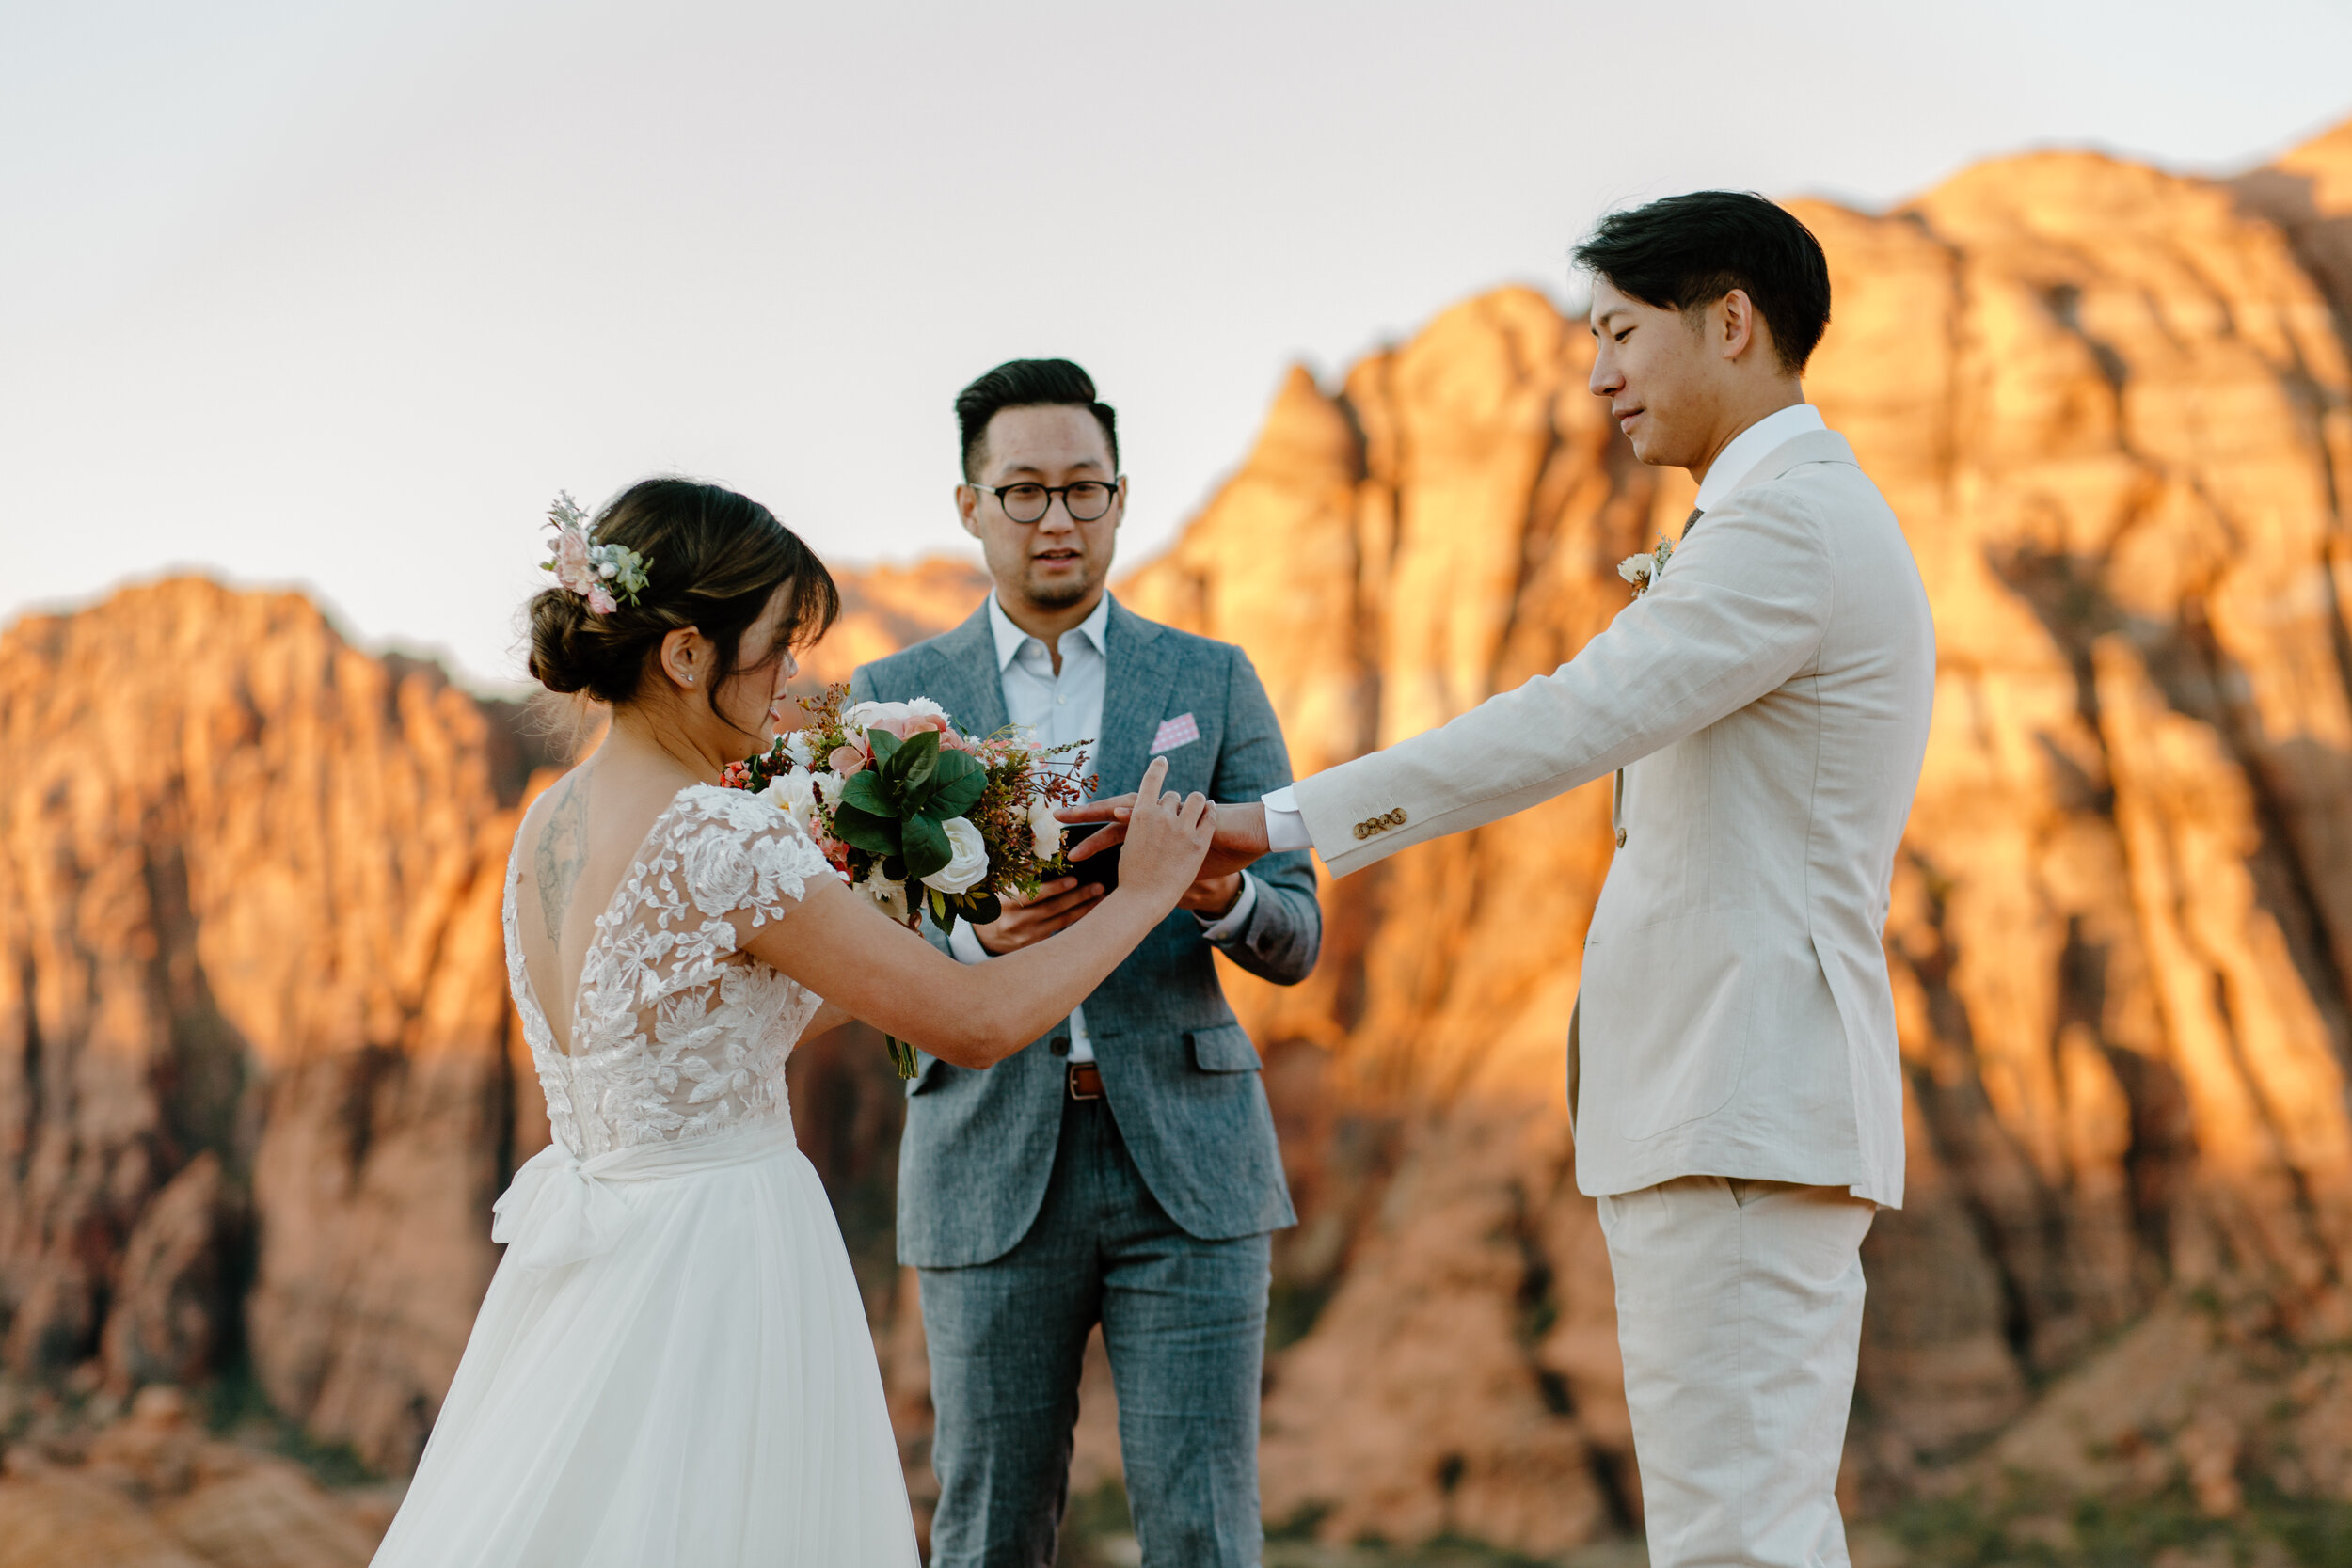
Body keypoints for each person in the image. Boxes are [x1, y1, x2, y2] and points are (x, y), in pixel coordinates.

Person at [1069, 195, 1936, 1568]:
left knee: (1736, 1535)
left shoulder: (1790, 526)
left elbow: (1566, 719)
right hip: (1730, 1101)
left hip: (1741, 1096)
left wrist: (1269, 822)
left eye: (1618, 332)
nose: (1597, 375)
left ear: (1731, 320)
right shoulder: (1779, 517)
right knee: (1743, 1525)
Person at [368, 477, 1218, 1568]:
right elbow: (975, 1028)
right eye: (775, 645)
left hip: (592, 1258)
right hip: (722, 1258)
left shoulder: (547, 821)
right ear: (684, 654)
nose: (790, 677)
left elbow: (710, 1026)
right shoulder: (719, 831)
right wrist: (1147, 892)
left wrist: (934, 931)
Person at [851, 360, 1320, 1568]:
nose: (1056, 518)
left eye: (1082, 489)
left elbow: (1299, 924)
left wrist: (1217, 892)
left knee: (1205, 1531)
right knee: (988, 1530)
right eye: (1023, 493)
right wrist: (966, 947)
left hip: (1191, 1160)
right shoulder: (890, 700)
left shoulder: (1209, 679)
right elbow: (851, 946)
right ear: (970, 505)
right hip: (985, 1161)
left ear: (1120, 499)